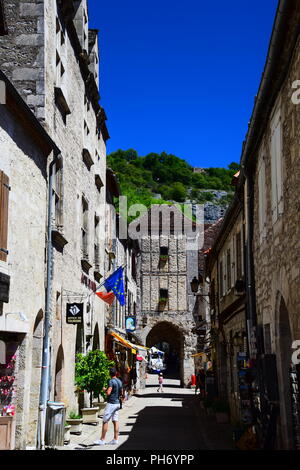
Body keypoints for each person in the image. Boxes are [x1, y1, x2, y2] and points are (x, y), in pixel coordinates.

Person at [94, 367, 123, 446]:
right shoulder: (119, 381)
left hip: (111, 403)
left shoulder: (111, 381)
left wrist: (105, 390)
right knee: (115, 421)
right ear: (116, 373)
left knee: (105, 421)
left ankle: (102, 440)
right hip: (117, 403)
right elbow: (121, 392)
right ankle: (115, 439)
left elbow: (108, 393)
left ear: (109, 374)